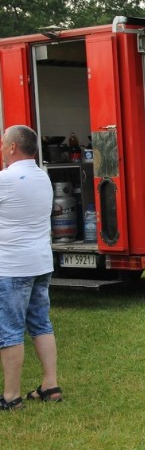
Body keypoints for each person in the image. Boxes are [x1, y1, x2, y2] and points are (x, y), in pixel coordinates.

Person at [1, 125, 62, 411]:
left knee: (10, 331)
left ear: (13, 147)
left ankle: (10, 397)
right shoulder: (43, 177)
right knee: (41, 323)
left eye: (3, 144)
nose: (2, 149)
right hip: (40, 262)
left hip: (12, 267)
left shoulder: (6, 180)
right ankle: (51, 385)